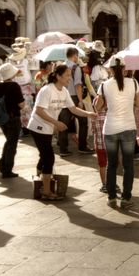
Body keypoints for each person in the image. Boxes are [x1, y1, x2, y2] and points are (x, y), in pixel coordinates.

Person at [27, 65, 90, 201]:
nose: (70, 78)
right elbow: (38, 110)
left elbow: (73, 109)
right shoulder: (47, 90)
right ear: (58, 76)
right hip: (38, 126)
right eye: (67, 75)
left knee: (45, 154)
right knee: (49, 157)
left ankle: (40, 179)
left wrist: (89, 114)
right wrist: (56, 123)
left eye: (70, 75)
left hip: (48, 127)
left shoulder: (64, 91)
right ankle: (46, 190)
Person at [95, 57, 139, 210]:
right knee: (128, 165)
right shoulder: (133, 83)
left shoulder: (104, 85)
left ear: (111, 69)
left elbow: (98, 108)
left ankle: (112, 197)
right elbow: (138, 103)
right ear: (124, 69)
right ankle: (126, 198)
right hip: (128, 127)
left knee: (111, 164)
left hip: (110, 128)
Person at [0, 62, 24, 179]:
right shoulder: (14, 86)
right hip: (13, 118)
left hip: (2, 119)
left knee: (9, 141)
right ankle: (7, 169)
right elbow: (21, 104)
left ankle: (3, 165)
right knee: (12, 144)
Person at [57, 47, 82, 155]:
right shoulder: (76, 67)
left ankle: (63, 148)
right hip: (73, 97)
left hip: (61, 95)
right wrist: (80, 100)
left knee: (63, 122)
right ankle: (83, 146)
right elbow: (78, 85)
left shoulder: (60, 66)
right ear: (75, 56)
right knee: (83, 121)